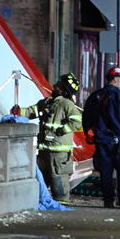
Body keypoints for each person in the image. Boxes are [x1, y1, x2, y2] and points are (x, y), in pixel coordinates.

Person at [83, 67, 120, 209]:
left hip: (102, 140)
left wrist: (90, 134)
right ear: (115, 80)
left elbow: (86, 119)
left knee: (105, 171)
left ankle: (108, 200)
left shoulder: (94, 97)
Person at [23, 73, 82, 203]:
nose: (55, 86)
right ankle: (39, 201)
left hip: (59, 151)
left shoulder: (67, 104)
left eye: (59, 85)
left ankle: (61, 203)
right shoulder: (47, 103)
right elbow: (31, 111)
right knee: (40, 176)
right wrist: (18, 112)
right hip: (44, 149)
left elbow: (77, 121)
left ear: (64, 89)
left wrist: (62, 130)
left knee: (58, 177)